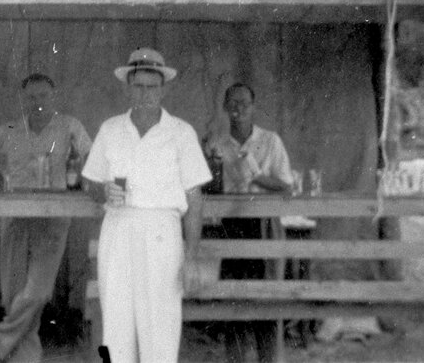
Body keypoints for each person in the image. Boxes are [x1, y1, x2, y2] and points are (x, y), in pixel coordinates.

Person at [81, 47, 211, 363]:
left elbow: (195, 199)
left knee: (161, 326)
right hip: (118, 229)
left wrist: (192, 258)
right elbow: (89, 182)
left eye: (152, 87)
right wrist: (103, 191)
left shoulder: (181, 133)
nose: (145, 94)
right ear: (128, 87)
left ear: (163, 89)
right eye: (138, 86)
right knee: (116, 326)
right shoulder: (111, 129)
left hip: (162, 233)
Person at [0, 73, 92, 363]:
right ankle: (24, 358)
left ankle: (2, 337)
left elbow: (94, 156)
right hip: (15, 216)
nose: (38, 102)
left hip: (53, 217)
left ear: (53, 96)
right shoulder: (9, 130)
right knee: (13, 293)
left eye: (43, 95)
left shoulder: (69, 126)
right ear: (23, 100)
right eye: (31, 97)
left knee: (38, 291)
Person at [204, 82, 294, 363]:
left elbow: (286, 186)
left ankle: (270, 360)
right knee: (234, 302)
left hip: (265, 225)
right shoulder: (218, 144)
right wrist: (211, 163)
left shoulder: (270, 141)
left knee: (268, 301)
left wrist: (255, 175)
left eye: (244, 102)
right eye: (232, 102)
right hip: (232, 225)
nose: (238, 108)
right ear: (224, 107)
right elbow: (210, 190)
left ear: (253, 107)